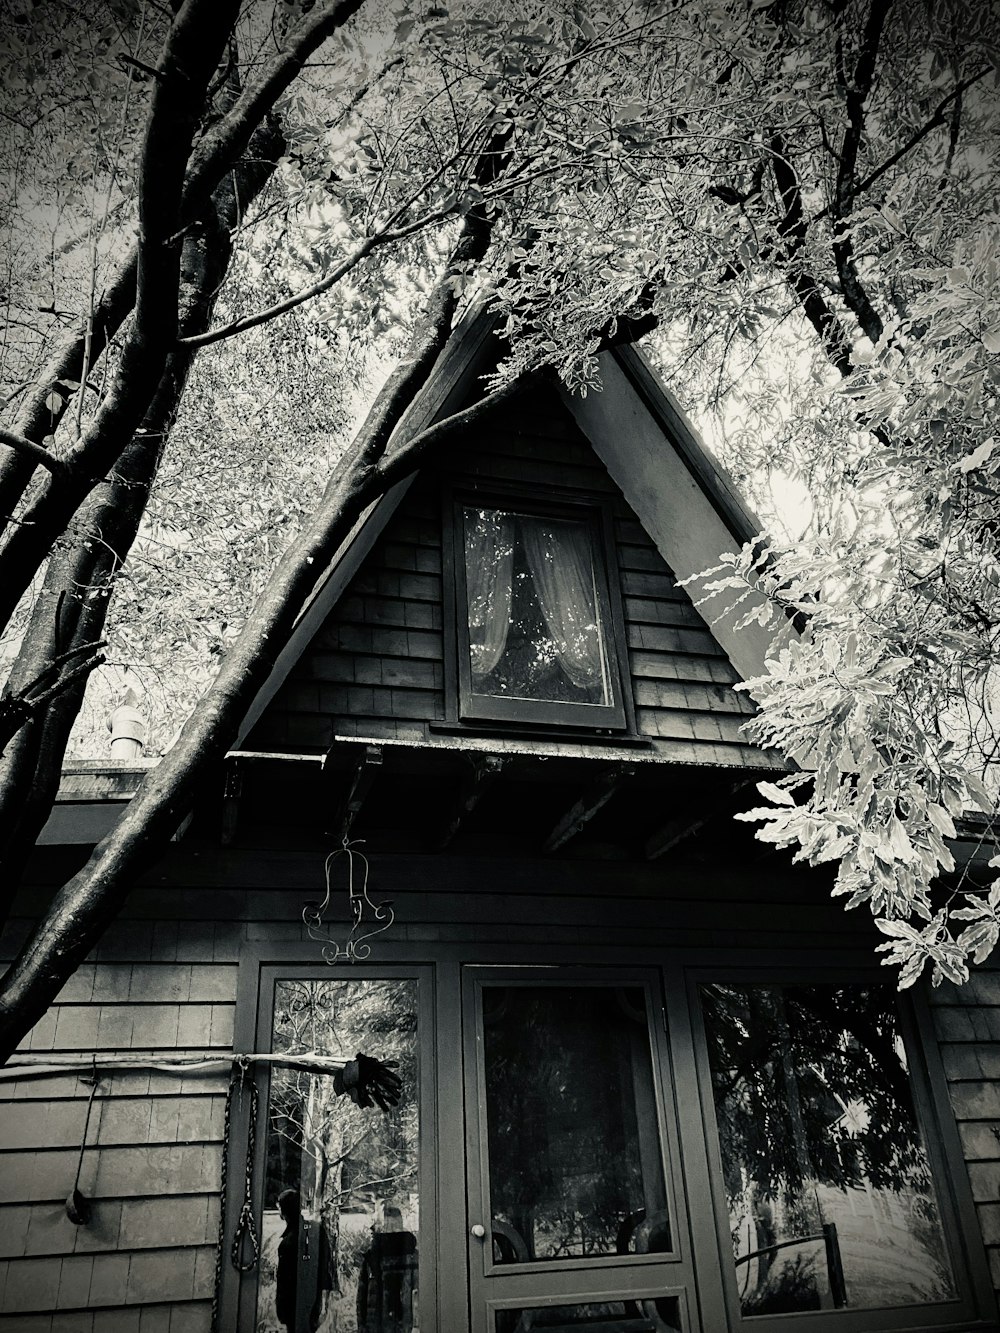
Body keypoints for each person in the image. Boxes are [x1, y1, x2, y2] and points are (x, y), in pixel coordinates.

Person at [275, 1189, 334, 1333]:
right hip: (315, 1301)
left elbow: (284, 1284)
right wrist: (325, 1301)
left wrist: (281, 1314)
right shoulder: (317, 1230)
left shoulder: (287, 1243)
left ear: (283, 1212)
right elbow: (326, 1266)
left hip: (294, 1308)